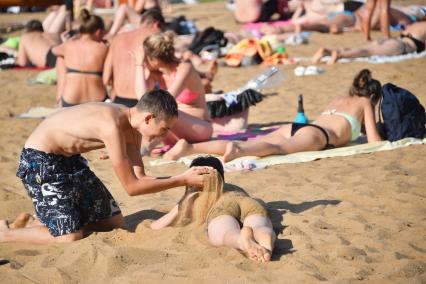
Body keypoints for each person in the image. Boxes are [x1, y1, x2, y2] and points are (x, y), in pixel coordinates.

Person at [0, 89, 211, 244]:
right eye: (164, 128)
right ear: (149, 117)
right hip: (40, 160)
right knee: (70, 238)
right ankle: (5, 234)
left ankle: (42, 223)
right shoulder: (111, 125)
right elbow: (131, 188)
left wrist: (182, 178)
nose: (165, 135)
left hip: (70, 160)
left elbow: (140, 177)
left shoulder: (132, 128)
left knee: (112, 223)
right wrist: (182, 179)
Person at [164, 69, 383, 162]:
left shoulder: (338, 98)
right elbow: (374, 141)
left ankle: (189, 148)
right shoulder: (365, 102)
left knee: (258, 141)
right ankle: (239, 150)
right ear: (372, 95)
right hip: (319, 135)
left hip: (298, 127)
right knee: (279, 150)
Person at [151, 156, 275, 262]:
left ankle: (241, 241)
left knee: (226, 233)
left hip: (222, 208)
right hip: (248, 202)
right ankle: (265, 242)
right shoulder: (234, 187)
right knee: (260, 226)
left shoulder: (194, 193)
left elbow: (157, 226)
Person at [132, 31, 213, 143]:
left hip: (199, 128)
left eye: (145, 58)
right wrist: (140, 65)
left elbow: (163, 101)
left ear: (154, 60)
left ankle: (143, 149)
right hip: (172, 132)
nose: (144, 62)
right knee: (141, 112)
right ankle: (135, 147)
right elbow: (142, 100)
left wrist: (139, 64)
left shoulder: (185, 69)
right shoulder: (156, 74)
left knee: (164, 111)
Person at [103, 9, 165, 108]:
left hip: (118, 99)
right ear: (156, 24)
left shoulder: (118, 38)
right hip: (143, 99)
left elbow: (106, 78)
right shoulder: (155, 39)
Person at [53, 9, 109, 107]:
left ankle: (59, 101)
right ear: (98, 32)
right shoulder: (102, 48)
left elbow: (54, 50)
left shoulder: (68, 46)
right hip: (97, 99)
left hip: (70, 99)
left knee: (60, 58)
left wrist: (70, 41)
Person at [312, 21, 426, 64]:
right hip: (401, 45)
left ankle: (329, 51)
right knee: (368, 51)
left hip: (392, 40)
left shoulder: (416, 23)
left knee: (363, 49)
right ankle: (340, 55)